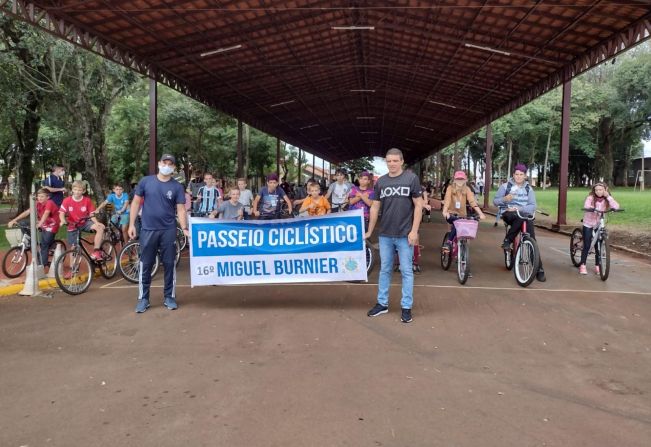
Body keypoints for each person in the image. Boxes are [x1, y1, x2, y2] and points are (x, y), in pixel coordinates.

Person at [365, 148, 423, 324]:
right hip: (385, 234)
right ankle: (382, 304)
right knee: (385, 270)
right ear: (386, 162)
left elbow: (418, 206)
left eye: (395, 161)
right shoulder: (381, 182)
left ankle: (406, 307)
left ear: (401, 161)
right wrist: (369, 231)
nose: (392, 164)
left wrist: (414, 231)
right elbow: (375, 207)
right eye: (389, 161)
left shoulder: (411, 179)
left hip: (405, 235)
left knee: (406, 271)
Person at [128, 154, 188, 313]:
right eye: (164, 162)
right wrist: (131, 224)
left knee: (169, 263)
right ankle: (143, 299)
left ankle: (169, 296)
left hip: (168, 230)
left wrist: (185, 227)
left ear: (174, 168)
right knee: (145, 264)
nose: (166, 165)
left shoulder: (177, 187)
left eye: (170, 164)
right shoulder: (146, 181)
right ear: (159, 163)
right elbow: (135, 202)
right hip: (148, 229)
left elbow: (181, 209)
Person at [493, 163, 546, 282]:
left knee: (532, 239)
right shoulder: (505, 186)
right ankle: (508, 240)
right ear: (513, 175)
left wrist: (519, 209)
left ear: (525, 176)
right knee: (519, 217)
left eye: (521, 174)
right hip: (508, 214)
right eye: (516, 174)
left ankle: (539, 269)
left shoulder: (529, 188)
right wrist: (504, 199)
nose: (518, 176)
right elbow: (495, 202)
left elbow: (532, 206)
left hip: (523, 214)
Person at [7, 188, 60, 268]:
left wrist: (40, 224)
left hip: (52, 225)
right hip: (42, 223)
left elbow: (46, 213)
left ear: (47, 197)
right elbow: (27, 212)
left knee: (44, 244)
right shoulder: (37, 203)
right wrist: (14, 220)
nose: (39, 198)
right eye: (38, 196)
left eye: (42, 196)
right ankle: (31, 241)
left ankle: (43, 264)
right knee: (23, 223)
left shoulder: (50, 203)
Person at [578, 182, 620, 275]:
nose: (598, 191)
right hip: (588, 223)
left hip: (599, 223)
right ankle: (582, 265)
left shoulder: (606, 199)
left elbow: (616, 206)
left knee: (598, 246)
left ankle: (598, 265)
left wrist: (608, 196)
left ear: (605, 190)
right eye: (596, 190)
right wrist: (591, 208)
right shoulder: (590, 198)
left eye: (600, 190)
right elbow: (586, 206)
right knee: (587, 244)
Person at [59, 181, 105, 261]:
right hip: (72, 224)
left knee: (100, 228)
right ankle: (72, 269)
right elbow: (61, 213)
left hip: (85, 223)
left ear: (83, 191)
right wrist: (63, 220)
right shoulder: (67, 200)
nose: (77, 192)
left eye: (80, 190)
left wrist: (97, 223)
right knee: (73, 248)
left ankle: (96, 251)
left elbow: (91, 214)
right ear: (72, 190)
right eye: (75, 189)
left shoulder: (87, 200)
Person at [441, 171, 486, 252]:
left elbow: (472, 202)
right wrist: (445, 211)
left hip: (463, 215)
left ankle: (462, 253)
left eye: (462, 179)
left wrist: (480, 213)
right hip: (451, 214)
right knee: (456, 222)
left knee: (465, 232)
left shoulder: (467, 189)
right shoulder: (450, 188)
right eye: (458, 179)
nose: (460, 181)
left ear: (465, 180)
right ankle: (448, 242)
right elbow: (447, 201)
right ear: (454, 180)